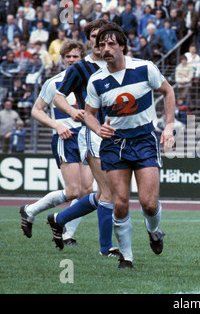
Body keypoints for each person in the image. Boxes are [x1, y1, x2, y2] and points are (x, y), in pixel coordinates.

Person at [83, 22, 175, 269]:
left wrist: (168, 126)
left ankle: (154, 232)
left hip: (144, 140)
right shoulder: (97, 80)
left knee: (149, 203)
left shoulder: (145, 68)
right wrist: (96, 127)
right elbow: (89, 113)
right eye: (102, 44)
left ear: (122, 46)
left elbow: (168, 91)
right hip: (114, 144)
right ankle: (126, 256)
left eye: (111, 43)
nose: (106, 48)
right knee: (120, 202)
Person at [48, 19, 118, 256]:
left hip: (117, 133)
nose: (100, 41)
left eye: (104, 35)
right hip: (92, 134)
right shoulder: (80, 68)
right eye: (95, 36)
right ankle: (106, 248)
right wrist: (72, 111)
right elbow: (58, 96)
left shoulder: (119, 64)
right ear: (90, 40)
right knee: (108, 192)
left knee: (101, 194)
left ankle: (60, 218)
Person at [19, 40, 93, 245]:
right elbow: (36, 110)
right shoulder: (54, 82)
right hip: (65, 138)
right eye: (67, 57)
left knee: (87, 190)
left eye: (75, 57)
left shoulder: (91, 80)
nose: (71, 60)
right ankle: (30, 210)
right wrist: (57, 125)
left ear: (82, 58)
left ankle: (67, 233)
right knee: (73, 192)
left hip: (86, 138)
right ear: (62, 59)